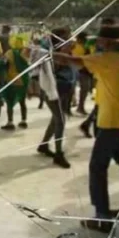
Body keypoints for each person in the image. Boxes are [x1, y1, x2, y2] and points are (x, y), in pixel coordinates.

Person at [58, 25, 119, 231]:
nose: (97, 44)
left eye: (100, 41)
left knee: (98, 168)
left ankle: (102, 217)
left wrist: (42, 53)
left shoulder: (106, 59)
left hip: (111, 123)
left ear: (108, 43)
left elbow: (69, 61)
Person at [32, 28, 72, 169]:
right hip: (53, 91)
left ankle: (43, 145)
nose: (70, 39)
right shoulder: (49, 54)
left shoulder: (66, 52)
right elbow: (44, 73)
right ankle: (59, 154)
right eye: (67, 37)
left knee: (56, 119)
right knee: (60, 120)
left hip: (64, 89)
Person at [1, 33, 30, 130]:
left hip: (12, 79)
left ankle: (10, 122)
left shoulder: (10, 53)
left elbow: (5, 65)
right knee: (22, 101)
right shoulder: (25, 52)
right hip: (24, 79)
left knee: (9, 101)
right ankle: (24, 120)